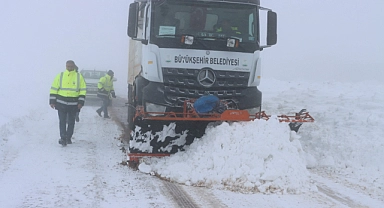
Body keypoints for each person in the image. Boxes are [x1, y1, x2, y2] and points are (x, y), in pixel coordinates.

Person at [50, 60, 86, 146]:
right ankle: (63, 138)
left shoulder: (79, 77)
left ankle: (68, 137)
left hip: (73, 104)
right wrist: (52, 101)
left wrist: (81, 102)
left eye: (71, 66)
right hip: (61, 103)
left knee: (71, 121)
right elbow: (54, 88)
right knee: (62, 121)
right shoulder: (60, 75)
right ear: (66, 66)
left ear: (74, 66)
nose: (69, 68)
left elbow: (83, 90)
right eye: (68, 66)